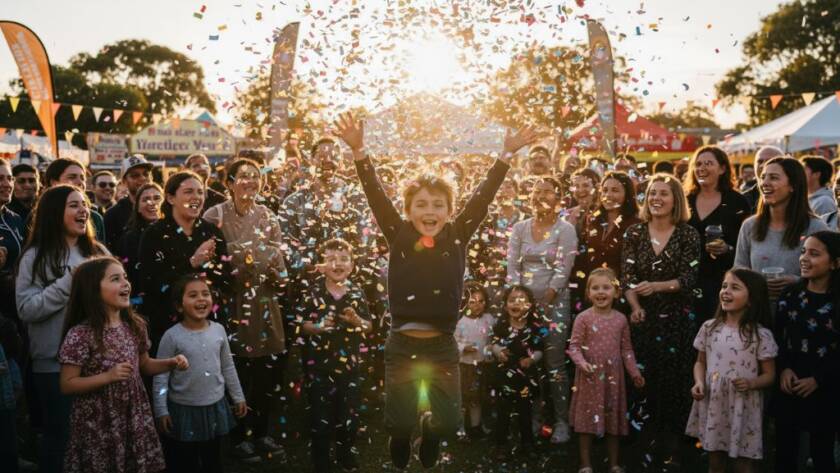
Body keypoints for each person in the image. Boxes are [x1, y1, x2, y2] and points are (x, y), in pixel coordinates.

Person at [335, 111, 537, 469]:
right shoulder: (399, 235)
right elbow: (375, 194)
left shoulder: (457, 235)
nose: (430, 211)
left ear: (449, 210)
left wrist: (505, 155)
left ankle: (429, 431)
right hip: (402, 342)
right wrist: (360, 152)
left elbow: (483, 197)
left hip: (443, 345)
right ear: (409, 210)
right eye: (422, 205)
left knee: (447, 421)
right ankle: (402, 436)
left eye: (438, 205)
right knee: (398, 419)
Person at [58, 257, 188, 473]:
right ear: (93, 288)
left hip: (132, 415)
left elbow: (144, 365)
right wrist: (108, 377)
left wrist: (171, 363)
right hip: (99, 421)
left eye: (125, 278)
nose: (126, 283)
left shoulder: (134, 325)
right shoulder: (81, 334)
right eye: (115, 279)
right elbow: (67, 383)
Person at [15, 185, 108, 473]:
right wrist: (67, 284)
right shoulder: (35, 257)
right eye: (73, 205)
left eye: (84, 204)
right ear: (55, 212)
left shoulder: (97, 252)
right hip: (54, 364)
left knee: (96, 439)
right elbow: (26, 309)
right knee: (61, 438)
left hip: (99, 362)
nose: (84, 210)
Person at [202, 158, 288, 462]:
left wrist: (278, 276)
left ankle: (262, 433)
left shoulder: (268, 217)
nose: (251, 182)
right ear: (229, 183)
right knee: (238, 371)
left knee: (266, 373)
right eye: (243, 177)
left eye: (256, 177)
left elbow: (279, 263)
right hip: (231, 303)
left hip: (265, 304)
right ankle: (239, 437)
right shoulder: (215, 216)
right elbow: (210, 264)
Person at [621, 173, 701, 469]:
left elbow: (689, 279)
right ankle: (642, 445)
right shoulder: (634, 233)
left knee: (675, 384)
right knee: (643, 381)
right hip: (642, 319)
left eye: (663, 194)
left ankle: (673, 448)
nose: (656, 199)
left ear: (676, 199)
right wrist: (634, 305)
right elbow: (627, 277)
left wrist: (656, 286)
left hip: (677, 321)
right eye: (652, 193)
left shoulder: (688, 234)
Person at [507, 176, 577, 444]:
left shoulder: (565, 229)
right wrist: (518, 298)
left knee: (554, 363)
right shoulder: (520, 228)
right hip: (522, 306)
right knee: (527, 363)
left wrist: (546, 298)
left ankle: (561, 421)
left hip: (554, 302)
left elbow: (564, 267)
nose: (541, 196)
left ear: (559, 198)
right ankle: (533, 417)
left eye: (548, 192)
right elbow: (513, 265)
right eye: (537, 191)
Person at [685, 269, 778, 473]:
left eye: (735, 287)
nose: (726, 291)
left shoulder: (760, 335)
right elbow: (700, 362)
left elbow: (770, 375)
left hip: (743, 406)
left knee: (743, 464)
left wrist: (752, 383)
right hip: (714, 402)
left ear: (752, 299)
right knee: (715, 461)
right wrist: (699, 382)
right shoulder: (709, 328)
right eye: (724, 286)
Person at [153, 273, 245, 473]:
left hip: (214, 406)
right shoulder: (172, 336)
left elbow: (228, 366)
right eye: (193, 295)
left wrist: (238, 396)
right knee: (186, 461)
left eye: (206, 294)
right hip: (184, 409)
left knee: (212, 459)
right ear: (179, 306)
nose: (201, 299)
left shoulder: (219, 330)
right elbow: (161, 376)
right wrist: (161, 409)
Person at [299, 238, 372, 473]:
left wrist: (356, 320)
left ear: (352, 265)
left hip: (350, 366)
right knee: (321, 416)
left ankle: (345, 454)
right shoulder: (314, 290)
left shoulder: (357, 291)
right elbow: (303, 324)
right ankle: (321, 459)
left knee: (348, 414)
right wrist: (319, 326)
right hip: (319, 365)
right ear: (322, 264)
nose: (337, 264)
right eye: (331, 259)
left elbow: (368, 325)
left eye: (343, 259)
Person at [137, 171, 231, 349]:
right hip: (168, 326)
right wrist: (192, 263)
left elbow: (226, 280)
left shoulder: (211, 232)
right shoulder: (154, 234)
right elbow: (149, 284)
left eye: (200, 192)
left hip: (209, 325)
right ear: (171, 198)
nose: (196, 197)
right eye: (188, 192)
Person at [772, 231, 840, 473]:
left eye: (814, 254)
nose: (804, 258)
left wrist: (819, 379)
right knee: (785, 454)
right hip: (789, 385)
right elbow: (777, 337)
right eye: (803, 252)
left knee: (822, 455)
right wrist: (784, 369)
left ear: (834, 263)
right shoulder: (790, 295)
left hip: (827, 391)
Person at [568, 268, 644, 473]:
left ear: (617, 292)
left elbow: (626, 349)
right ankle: (585, 464)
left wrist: (634, 372)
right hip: (590, 377)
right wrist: (582, 363)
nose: (601, 292)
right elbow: (574, 346)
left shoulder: (620, 319)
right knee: (586, 421)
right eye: (595, 288)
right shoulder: (583, 318)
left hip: (613, 378)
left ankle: (614, 463)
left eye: (606, 287)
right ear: (588, 293)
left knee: (614, 421)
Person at [734, 157, 828, 299]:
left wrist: (797, 281)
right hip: (758, 313)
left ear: (793, 186)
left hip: (799, 311)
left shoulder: (815, 227)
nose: (764, 183)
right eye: (763, 177)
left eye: (774, 178)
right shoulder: (750, 226)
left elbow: (828, 274)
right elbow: (738, 271)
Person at [684, 146, 751, 322]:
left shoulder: (737, 202)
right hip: (686, 279)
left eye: (708, 163)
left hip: (722, 282)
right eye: (698, 164)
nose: (702, 168)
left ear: (722, 169)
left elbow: (747, 243)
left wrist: (727, 248)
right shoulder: (684, 200)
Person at [570, 171, 639, 313]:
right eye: (605, 190)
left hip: (620, 297)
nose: (608, 195)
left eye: (615, 190)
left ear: (627, 194)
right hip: (591, 294)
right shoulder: (592, 219)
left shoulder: (636, 224)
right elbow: (582, 257)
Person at [489, 285, 544, 460]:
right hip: (505, 374)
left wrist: (532, 359)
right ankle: (501, 445)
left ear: (529, 305)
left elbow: (539, 349)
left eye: (521, 300)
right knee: (503, 411)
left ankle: (527, 443)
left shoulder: (534, 326)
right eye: (512, 300)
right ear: (505, 306)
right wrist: (498, 352)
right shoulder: (502, 325)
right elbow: (494, 343)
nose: (516, 303)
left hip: (525, 376)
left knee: (525, 411)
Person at [455, 281, 496, 440]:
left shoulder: (489, 319)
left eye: (481, 301)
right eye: (472, 301)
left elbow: (493, 338)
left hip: (482, 365)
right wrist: (463, 347)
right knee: (464, 399)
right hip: (466, 367)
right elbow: (453, 342)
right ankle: (460, 428)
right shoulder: (461, 323)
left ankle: (476, 426)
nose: (477, 305)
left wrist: (492, 350)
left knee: (478, 399)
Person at [113, 183, 163, 293]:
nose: (152, 203)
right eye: (146, 199)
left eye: (157, 198)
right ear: (138, 208)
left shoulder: (176, 232)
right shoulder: (128, 239)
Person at [44, 159, 107, 244]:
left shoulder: (95, 218)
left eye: (82, 178)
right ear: (54, 182)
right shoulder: (40, 215)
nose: (80, 182)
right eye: (72, 177)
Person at [105, 154, 153, 251]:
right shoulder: (113, 215)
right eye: (135, 175)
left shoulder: (164, 208)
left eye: (146, 174)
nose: (143, 178)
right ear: (124, 182)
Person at [742, 146, 784, 214]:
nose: (763, 165)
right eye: (760, 161)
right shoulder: (743, 200)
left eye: (769, 161)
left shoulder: (792, 197)